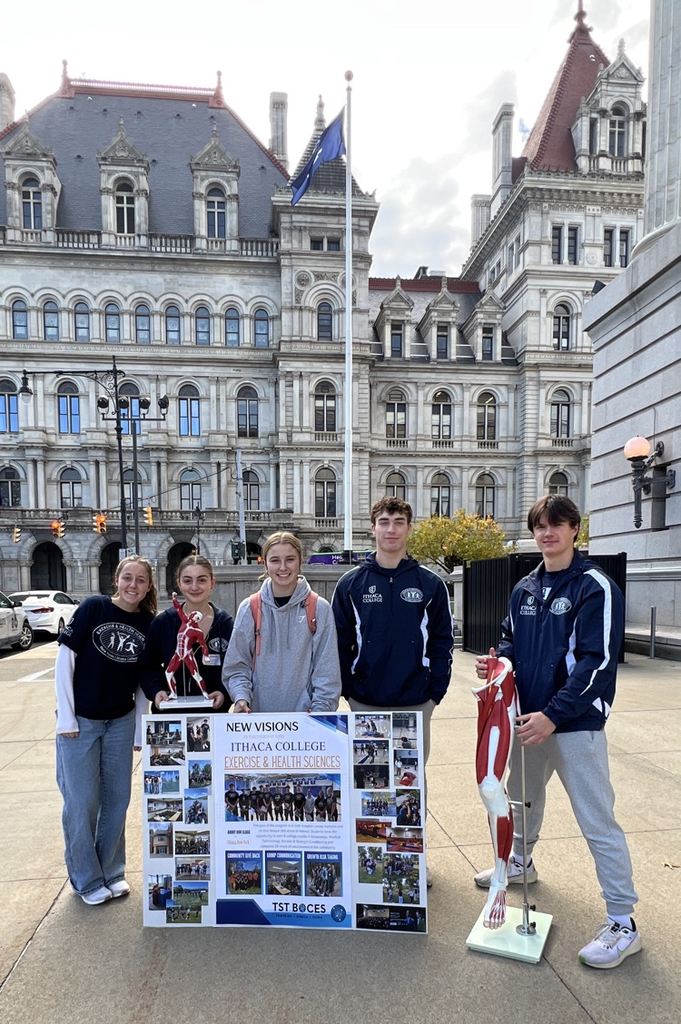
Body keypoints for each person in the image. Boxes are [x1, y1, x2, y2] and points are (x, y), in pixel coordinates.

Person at [473, 494, 640, 969]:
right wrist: (498, 663)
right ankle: (521, 862)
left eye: (557, 525)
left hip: (572, 722)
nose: (548, 533)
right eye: (540, 526)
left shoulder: (594, 587)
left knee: (596, 819)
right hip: (527, 718)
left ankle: (623, 921)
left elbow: (598, 662)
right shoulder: (524, 586)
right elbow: (510, 643)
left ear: (574, 530)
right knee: (519, 799)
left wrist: (555, 714)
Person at [331, 497, 454, 883]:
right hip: (365, 699)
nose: (391, 529)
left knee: (408, 784)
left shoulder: (430, 584)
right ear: (373, 528)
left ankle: (411, 857)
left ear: (409, 528)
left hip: (415, 703)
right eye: (384, 521)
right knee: (368, 783)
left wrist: (434, 694)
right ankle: (370, 856)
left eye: (399, 521)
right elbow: (339, 643)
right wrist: (349, 692)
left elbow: (442, 643)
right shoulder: (351, 584)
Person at [55, 554, 157, 905]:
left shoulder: (148, 622)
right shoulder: (93, 608)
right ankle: (86, 879)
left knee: (117, 799)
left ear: (148, 586)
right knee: (82, 801)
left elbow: (144, 681)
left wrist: (140, 729)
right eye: (127, 578)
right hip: (80, 720)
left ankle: (112, 871)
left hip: (121, 719)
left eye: (140, 580)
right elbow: (64, 661)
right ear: (117, 579)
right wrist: (66, 717)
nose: (133, 585)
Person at [222, 531, 341, 713]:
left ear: (300, 562)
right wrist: (240, 698)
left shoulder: (319, 609)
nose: (283, 567)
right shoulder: (249, 608)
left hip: (306, 722)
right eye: (275, 560)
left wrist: (320, 712)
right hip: (259, 723)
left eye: (290, 559)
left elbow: (327, 670)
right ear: (266, 564)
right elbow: (237, 665)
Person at [139, 555, 233, 712]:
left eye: (202, 580)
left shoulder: (225, 623)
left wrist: (224, 693)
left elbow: (236, 667)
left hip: (213, 715)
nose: (194, 587)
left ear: (212, 583)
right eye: (188, 581)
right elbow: (147, 665)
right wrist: (156, 691)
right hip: (171, 715)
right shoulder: (164, 622)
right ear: (179, 584)